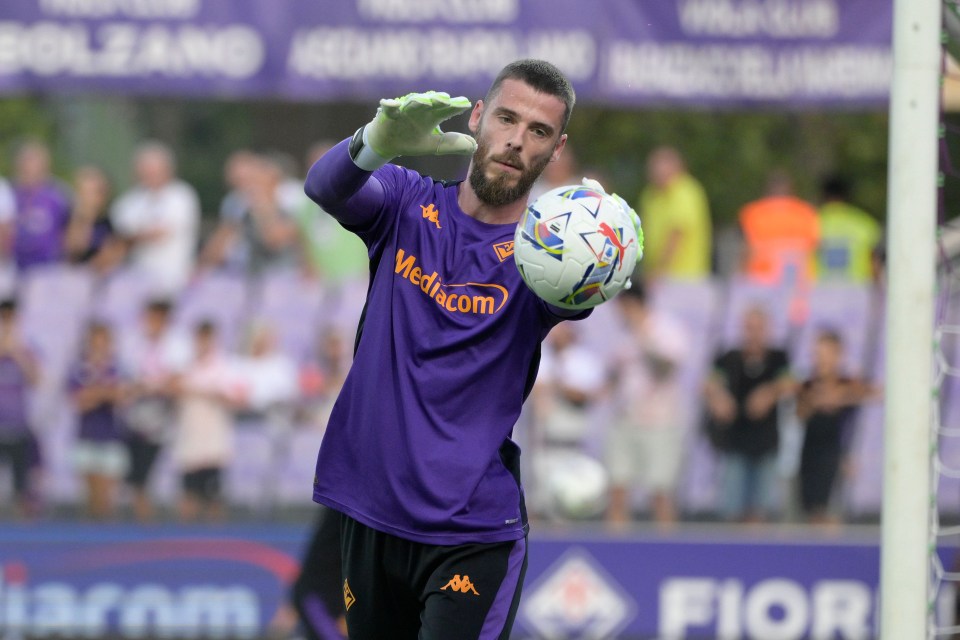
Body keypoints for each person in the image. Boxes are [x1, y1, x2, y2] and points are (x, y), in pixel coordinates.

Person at [302, 59, 614, 638]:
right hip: (372, 512)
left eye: (539, 131)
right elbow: (324, 187)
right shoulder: (404, 200)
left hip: (470, 532)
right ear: (478, 117)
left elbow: (576, 299)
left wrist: (601, 247)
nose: (517, 141)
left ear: (556, 149)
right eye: (506, 118)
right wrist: (375, 143)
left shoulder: (545, 261)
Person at [605, 283, 689, 528]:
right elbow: (616, 375)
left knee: (660, 492)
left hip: (660, 422)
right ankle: (616, 552)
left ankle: (666, 554)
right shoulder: (621, 335)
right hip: (625, 419)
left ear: (633, 305)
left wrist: (644, 337)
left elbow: (668, 368)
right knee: (618, 489)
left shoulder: (666, 328)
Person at [703, 307, 795, 523]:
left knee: (760, 509)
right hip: (735, 442)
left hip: (766, 443)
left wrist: (769, 393)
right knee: (732, 507)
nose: (753, 334)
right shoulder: (729, 357)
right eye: (749, 328)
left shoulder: (778, 358)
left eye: (758, 329)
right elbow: (709, 383)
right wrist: (718, 398)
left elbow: (791, 383)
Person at [121, 299, 192, 522]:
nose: (153, 323)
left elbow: (178, 381)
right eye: (150, 318)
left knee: (161, 475)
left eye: (158, 318)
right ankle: (141, 522)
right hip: (135, 419)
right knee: (136, 478)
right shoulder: (133, 343)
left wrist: (152, 386)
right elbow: (127, 382)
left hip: (166, 420)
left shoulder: (178, 344)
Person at [796, 330, 874, 526]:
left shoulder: (850, 383)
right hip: (811, 458)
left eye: (827, 354)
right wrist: (817, 400)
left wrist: (838, 396)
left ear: (839, 355)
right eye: (818, 355)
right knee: (811, 514)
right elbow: (799, 414)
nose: (822, 360)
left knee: (833, 516)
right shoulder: (807, 385)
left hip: (838, 459)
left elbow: (871, 393)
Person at [170, 321, 243, 522]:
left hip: (213, 443)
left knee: (214, 498)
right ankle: (187, 546)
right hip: (189, 441)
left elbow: (237, 399)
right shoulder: (186, 366)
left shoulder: (224, 366)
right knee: (188, 496)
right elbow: (172, 390)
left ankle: (215, 545)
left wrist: (204, 392)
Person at [110, 141, 200, 295]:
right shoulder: (128, 202)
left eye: (155, 170)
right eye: (146, 170)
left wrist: (133, 236)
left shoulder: (182, 195)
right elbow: (120, 235)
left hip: (175, 280)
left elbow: (157, 234)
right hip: (137, 278)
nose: (151, 175)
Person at [200, 151, 301, 276]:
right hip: (247, 274)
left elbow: (274, 240)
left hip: (285, 276)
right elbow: (218, 245)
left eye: (248, 180)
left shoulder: (293, 196)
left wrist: (262, 206)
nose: (244, 187)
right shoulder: (236, 200)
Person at [67, 322, 127, 520]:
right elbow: (78, 402)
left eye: (104, 342)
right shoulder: (80, 368)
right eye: (96, 342)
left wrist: (95, 393)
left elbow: (122, 397)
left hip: (110, 435)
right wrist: (103, 393)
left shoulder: (117, 368)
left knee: (107, 496)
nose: (100, 347)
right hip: (87, 434)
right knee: (90, 495)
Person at [637, 146, 711, 282]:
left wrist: (658, 270)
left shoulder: (685, 191)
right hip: (656, 274)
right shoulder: (650, 194)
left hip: (684, 277)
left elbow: (676, 234)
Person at [4, 140, 72, 272]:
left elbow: (68, 229)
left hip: (47, 267)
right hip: (10, 265)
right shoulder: (7, 192)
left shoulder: (59, 195)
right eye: (26, 162)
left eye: (35, 162)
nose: (30, 167)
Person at [0, 299, 41, 518]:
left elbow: (35, 380)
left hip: (17, 426)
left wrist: (16, 352)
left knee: (20, 485)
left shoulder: (26, 349)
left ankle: (24, 532)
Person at [815, 175, 883, 285]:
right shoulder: (864, 223)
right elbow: (874, 264)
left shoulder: (811, 222)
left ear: (823, 196)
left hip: (820, 289)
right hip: (857, 289)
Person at [64, 165, 125, 275]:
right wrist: (85, 215)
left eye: (95, 192)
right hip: (75, 275)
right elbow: (73, 249)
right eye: (87, 192)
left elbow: (113, 254)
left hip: (101, 277)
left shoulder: (110, 220)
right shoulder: (70, 217)